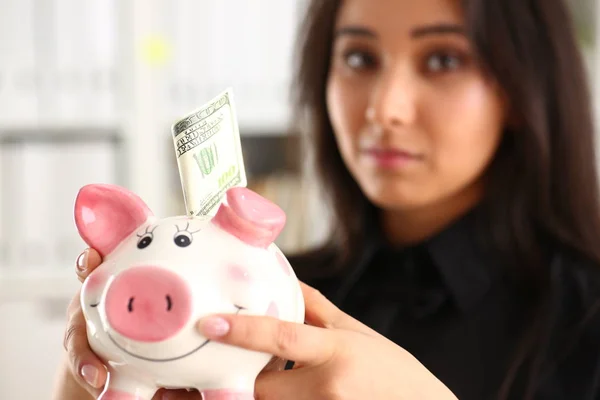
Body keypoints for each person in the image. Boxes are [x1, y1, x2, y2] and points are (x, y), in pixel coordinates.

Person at [52, 0, 600, 398]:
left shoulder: (586, 320)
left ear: (523, 89)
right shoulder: (278, 294)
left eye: (443, 61)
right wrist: (96, 373)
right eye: (359, 59)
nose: (385, 109)